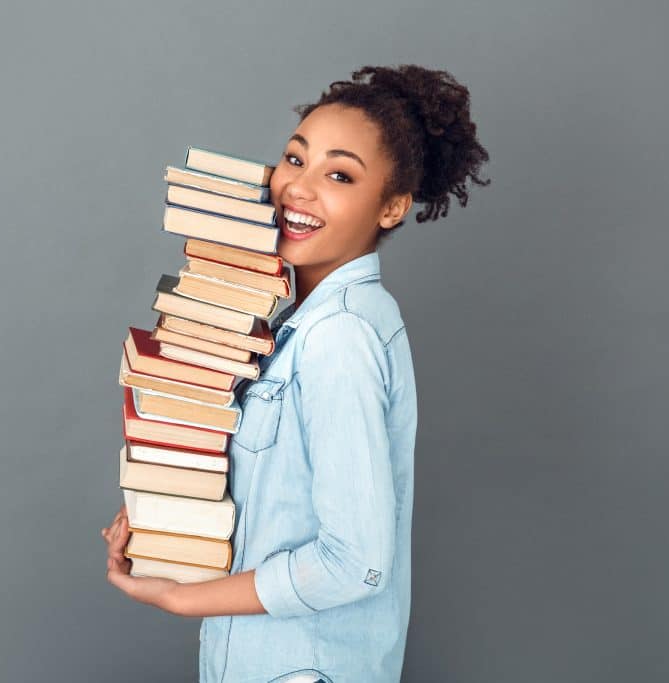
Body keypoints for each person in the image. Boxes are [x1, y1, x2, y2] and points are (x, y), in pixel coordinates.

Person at [101, 64, 490, 682]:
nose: (298, 188)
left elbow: (355, 564)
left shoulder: (340, 336)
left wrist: (181, 598)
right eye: (294, 159)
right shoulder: (299, 320)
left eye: (339, 174)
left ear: (391, 207)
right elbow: (280, 502)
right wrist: (169, 523)